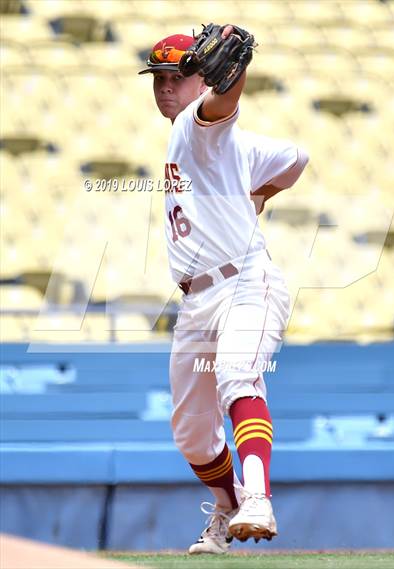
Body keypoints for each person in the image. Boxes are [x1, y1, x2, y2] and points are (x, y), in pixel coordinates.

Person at [138, 27, 309, 554]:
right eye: (159, 78)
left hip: (245, 282)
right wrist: (257, 195)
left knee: (238, 373)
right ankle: (230, 506)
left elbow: (223, 103)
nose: (167, 87)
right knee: (190, 433)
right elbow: (295, 159)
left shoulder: (199, 124)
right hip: (197, 300)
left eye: (178, 75)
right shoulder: (221, 142)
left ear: (203, 78)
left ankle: (257, 497)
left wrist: (234, 75)